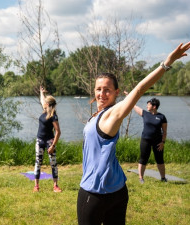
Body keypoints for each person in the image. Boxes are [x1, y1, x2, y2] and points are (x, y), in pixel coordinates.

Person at [77, 42, 190, 225]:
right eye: (99, 89)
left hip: (95, 193)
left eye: (107, 90)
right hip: (117, 189)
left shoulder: (112, 114)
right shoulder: (97, 115)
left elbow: (139, 89)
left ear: (116, 93)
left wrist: (167, 63)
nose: (102, 93)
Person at [132, 97, 168, 184]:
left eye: (149, 104)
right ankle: (141, 178)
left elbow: (164, 132)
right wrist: (130, 96)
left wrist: (163, 142)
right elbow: (133, 105)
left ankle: (163, 178)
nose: (147, 105)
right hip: (145, 140)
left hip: (158, 142)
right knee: (143, 159)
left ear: (154, 106)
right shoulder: (145, 113)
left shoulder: (161, 117)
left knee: (160, 160)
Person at [33, 86, 62, 192]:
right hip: (39, 140)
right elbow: (42, 100)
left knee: (53, 163)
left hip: (50, 141)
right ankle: (36, 186)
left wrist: (53, 146)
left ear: (48, 104)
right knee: (38, 162)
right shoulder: (45, 110)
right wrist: (41, 92)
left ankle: (55, 186)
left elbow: (58, 132)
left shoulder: (53, 116)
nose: (43, 102)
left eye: (45, 102)